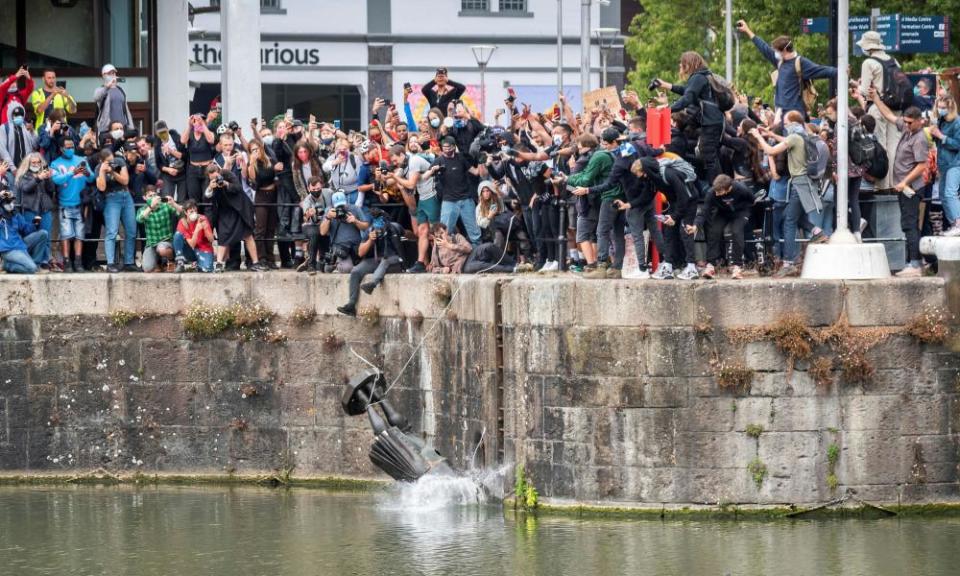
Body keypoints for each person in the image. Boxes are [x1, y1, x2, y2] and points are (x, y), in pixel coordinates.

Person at [750, 111, 828, 278]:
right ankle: (816, 232)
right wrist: (771, 134)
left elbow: (770, 150)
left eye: (786, 123)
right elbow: (786, 142)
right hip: (805, 182)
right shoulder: (802, 135)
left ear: (793, 122)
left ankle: (789, 263)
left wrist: (758, 136)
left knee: (789, 221)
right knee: (790, 215)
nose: (784, 126)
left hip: (799, 185)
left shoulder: (794, 137)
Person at [868, 93, 929, 276]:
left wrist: (904, 182)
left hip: (911, 188)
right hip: (904, 187)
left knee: (909, 224)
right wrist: (876, 99)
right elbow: (889, 116)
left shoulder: (919, 138)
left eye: (911, 123)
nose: (907, 125)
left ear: (919, 121)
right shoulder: (907, 129)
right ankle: (916, 261)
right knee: (908, 224)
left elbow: (922, 166)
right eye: (906, 122)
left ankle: (915, 264)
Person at [737, 21, 836, 119]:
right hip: (781, 114)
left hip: (794, 115)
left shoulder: (800, 63)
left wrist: (842, 71)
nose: (775, 53)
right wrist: (747, 30)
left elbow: (822, 70)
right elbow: (764, 48)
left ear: (784, 50)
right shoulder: (780, 61)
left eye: (776, 51)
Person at [655, 51, 725, 184]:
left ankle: (719, 189)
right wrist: (667, 86)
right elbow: (687, 91)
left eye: (681, 64)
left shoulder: (697, 77)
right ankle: (718, 188)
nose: (680, 66)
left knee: (709, 156)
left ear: (688, 64)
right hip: (713, 120)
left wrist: (668, 109)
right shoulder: (703, 75)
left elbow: (688, 97)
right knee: (708, 155)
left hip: (711, 121)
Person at [570, 127, 625, 278]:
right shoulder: (622, 153)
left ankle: (600, 267)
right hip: (623, 197)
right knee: (618, 233)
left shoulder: (600, 155)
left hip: (608, 197)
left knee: (601, 232)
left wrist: (570, 179)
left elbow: (587, 179)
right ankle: (617, 268)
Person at [856, 31, 902, 190]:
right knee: (894, 146)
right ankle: (893, 184)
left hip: (877, 107)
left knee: (879, 146)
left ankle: (881, 186)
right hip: (895, 107)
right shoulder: (893, 60)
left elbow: (864, 91)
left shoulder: (868, 63)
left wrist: (857, 85)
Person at [337, 210, 404, 317]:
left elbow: (410, 236)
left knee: (385, 261)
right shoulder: (371, 230)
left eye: (381, 228)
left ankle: (372, 284)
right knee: (355, 271)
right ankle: (351, 304)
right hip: (377, 259)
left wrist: (395, 234)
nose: (379, 230)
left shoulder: (394, 227)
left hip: (394, 260)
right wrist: (370, 240)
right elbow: (360, 252)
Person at [690, 174, 757, 280]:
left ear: (729, 188)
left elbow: (752, 200)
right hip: (722, 212)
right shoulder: (712, 192)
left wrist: (745, 212)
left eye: (719, 192)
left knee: (736, 231)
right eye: (715, 191)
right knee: (714, 231)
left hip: (740, 212)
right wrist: (695, 225)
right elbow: (704, 211)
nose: (716, 194)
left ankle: (737, 266)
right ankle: (711, 265)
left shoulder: (741, 189)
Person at [203, 164, 268, 272]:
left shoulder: (227, 174)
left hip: (240, 209)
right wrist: (210, 188)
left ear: (219, 171)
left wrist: (225, 183)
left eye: (216, 177)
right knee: (223, 237)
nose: (214, 179)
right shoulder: (209, 181)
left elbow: (237, 188)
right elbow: (206, 197)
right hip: (225, 211)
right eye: (212, 178)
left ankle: (255, 263)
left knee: (248, 235)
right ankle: (219, 264)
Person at [390, 140, 440, 273]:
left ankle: (438, 261)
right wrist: (387, 176)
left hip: (432, 195)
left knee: (436, 231)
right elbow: (392, 181)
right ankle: (420, 263)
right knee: (422, 231)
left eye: (395, 160)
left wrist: (395, 178)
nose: (395, 163)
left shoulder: (414, 161)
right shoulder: (404, 163)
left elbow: (411, 184)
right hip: (423, 198)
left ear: (401, 154)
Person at [50, 137, 94, 272]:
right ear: (61, 149)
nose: (70, 149)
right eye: (67, 147)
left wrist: (86, 172)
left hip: (81, 205)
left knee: (80, 235)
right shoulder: (55, 164)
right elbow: (56, 179)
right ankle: (67, 262)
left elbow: (92, 178)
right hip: (64, 205)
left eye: (72, 147)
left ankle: (78, 262)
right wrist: (72, 172)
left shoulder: (82, 160)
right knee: (66, 235)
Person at [96, 149, 138, 272]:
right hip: (111, 198)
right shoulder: (98, 168)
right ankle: (110, 264)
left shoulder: (119, 161)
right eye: (108, 161)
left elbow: (125, 180)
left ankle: (129, 262)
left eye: (112, 159)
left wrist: (113, 172)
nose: (112, 162)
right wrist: (103, 172)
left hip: (126, 196)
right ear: (102, 161)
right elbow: (102, 188)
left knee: (131, 231)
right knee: (112, 232)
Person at [435, 136, 482, 245]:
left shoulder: (461, 158)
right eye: (444, 147)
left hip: (466, 200)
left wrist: (481, 160)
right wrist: (432, 170)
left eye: (448, 147)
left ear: (453, 146)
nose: (446, 149)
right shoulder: (438, 160)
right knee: (444, 232)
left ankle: (479, 256)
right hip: (449, 200)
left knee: (475, 233)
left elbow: (476, 172)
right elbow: (425, 177)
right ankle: (444, 258)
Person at [930, 94, 960, 236]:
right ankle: (954, 224)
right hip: (943, 163)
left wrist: (942, 136)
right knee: (942, 195)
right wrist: (934, 133)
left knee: (950, 193)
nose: (941, 110)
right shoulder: (940, 120)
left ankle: (958, 223)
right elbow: (938, 143)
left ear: (950, 107)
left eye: (943, 108)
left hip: (956, 162)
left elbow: (958, 144)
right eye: (939, 107)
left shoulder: (957, 122)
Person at [247, 138, 279, 268]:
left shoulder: (270, 160)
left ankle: (271, 259)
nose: (256, 152)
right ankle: (261, 258)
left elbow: (276, 173)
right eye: (253, 150)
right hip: (261, 195)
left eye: (257, 149)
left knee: (271, 229)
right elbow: (253, 178)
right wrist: (251, 162)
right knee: (260, 228)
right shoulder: (253, 164)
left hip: (273, 195)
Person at [319, 190, 369, 273]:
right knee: (347, 268)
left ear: (346, 201)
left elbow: (366, 227)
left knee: (362, 268)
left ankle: (339, 265)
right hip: (340, 248)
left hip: (355, 247)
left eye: (342, 205)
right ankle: (336, 264)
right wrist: (328, 218)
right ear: (333, 205)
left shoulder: (354, 208)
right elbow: (322, 232)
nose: (341, 208)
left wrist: (355, 221)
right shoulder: (330, 211)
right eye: (338, 206)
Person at [0, 189, 48, 274]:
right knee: (32, 269)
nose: (10, 204)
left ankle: (35, 263)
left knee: (43, 234)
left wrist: (35, 224)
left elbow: (26, 229)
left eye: (11, 201)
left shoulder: (15, 214)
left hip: (20, 245)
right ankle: (7, 266)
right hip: (8, 250)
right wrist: (2, 195)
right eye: (7, 201)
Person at [136, 186, 184, 272]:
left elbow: (182, 213)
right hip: (151, 244)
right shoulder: (142, 209)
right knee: (147, 268)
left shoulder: (165, 206)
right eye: (150, 196)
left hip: (166, 241)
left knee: (161, 249)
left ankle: (171, 260)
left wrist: (173, 203)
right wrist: (151, 207)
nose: (153, 198)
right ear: (144, 198)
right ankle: (159, 264)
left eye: (154, 195)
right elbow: (139, 219)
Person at [14, 153, 56, 245]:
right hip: (30, 209)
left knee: (47, 235)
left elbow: (52, 189)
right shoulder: (23, 175)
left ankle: (46, 258)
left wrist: (48, 178)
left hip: (45, 209)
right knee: (31, 235)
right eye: (33, 162)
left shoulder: (44, 173)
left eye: (38, 162)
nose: (36, 164)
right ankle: (32, 258)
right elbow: (26, 188)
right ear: (28, 164)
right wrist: (38, 178)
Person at [181, 113, 216, 204]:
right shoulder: (190, 133)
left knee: (207, 196)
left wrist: (203, 125)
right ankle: (196, 216)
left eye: (201, 120)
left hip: (207, 168)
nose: (198, 123)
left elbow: (211, 140)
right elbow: (182, 141)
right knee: (193, 196)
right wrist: (189, 125)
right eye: (196, 121)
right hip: (193, 169)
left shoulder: (208, 132)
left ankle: (208, 217)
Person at [0, 104, 38, 188]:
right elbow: (2, 150)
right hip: (10, 171)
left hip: (26, 170)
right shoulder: (4, 128)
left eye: (21, 115)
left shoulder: (25, 127)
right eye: (16, 115)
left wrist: (32, 131)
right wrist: (13, 168)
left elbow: (35, 145)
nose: (19, 117)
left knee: (25, 195)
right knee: (12, 195)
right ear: (11, 114)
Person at [300, 176, 332, 274]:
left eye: (318, 189)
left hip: (326, 224)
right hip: (311, 225)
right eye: (313, 189)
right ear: (309, 189)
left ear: (322, 186)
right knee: (315, 234)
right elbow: (305, 218)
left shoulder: (329, 193)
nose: (316, 191)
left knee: (324, 267)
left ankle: (317, 261)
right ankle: (311, 265)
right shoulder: (307, 200)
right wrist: (308, 213)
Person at [173, 200, 215, 273]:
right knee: (177, 235)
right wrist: (197, 229)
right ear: (186, 213)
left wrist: (206, 228)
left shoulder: (202, 218)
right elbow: (192, 244)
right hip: (190, 250)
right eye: (191, 211)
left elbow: (211, 240)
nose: (194, 213)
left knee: (207, 269)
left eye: (195, 211)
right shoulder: (182, 222)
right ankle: (180, 262)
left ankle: (197, 265)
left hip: (203, 248)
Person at [93, 64, 134, 139]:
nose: (112, 75)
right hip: (107, 128)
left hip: (121, 127)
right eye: (109, 73)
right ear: (104, 75)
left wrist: (131, 127)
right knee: (109, 149)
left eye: (114, 73)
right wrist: (107, 86)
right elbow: (96, 97)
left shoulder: (120, 90)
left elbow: (126, 110)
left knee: (120, 150)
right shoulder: (101, 89)